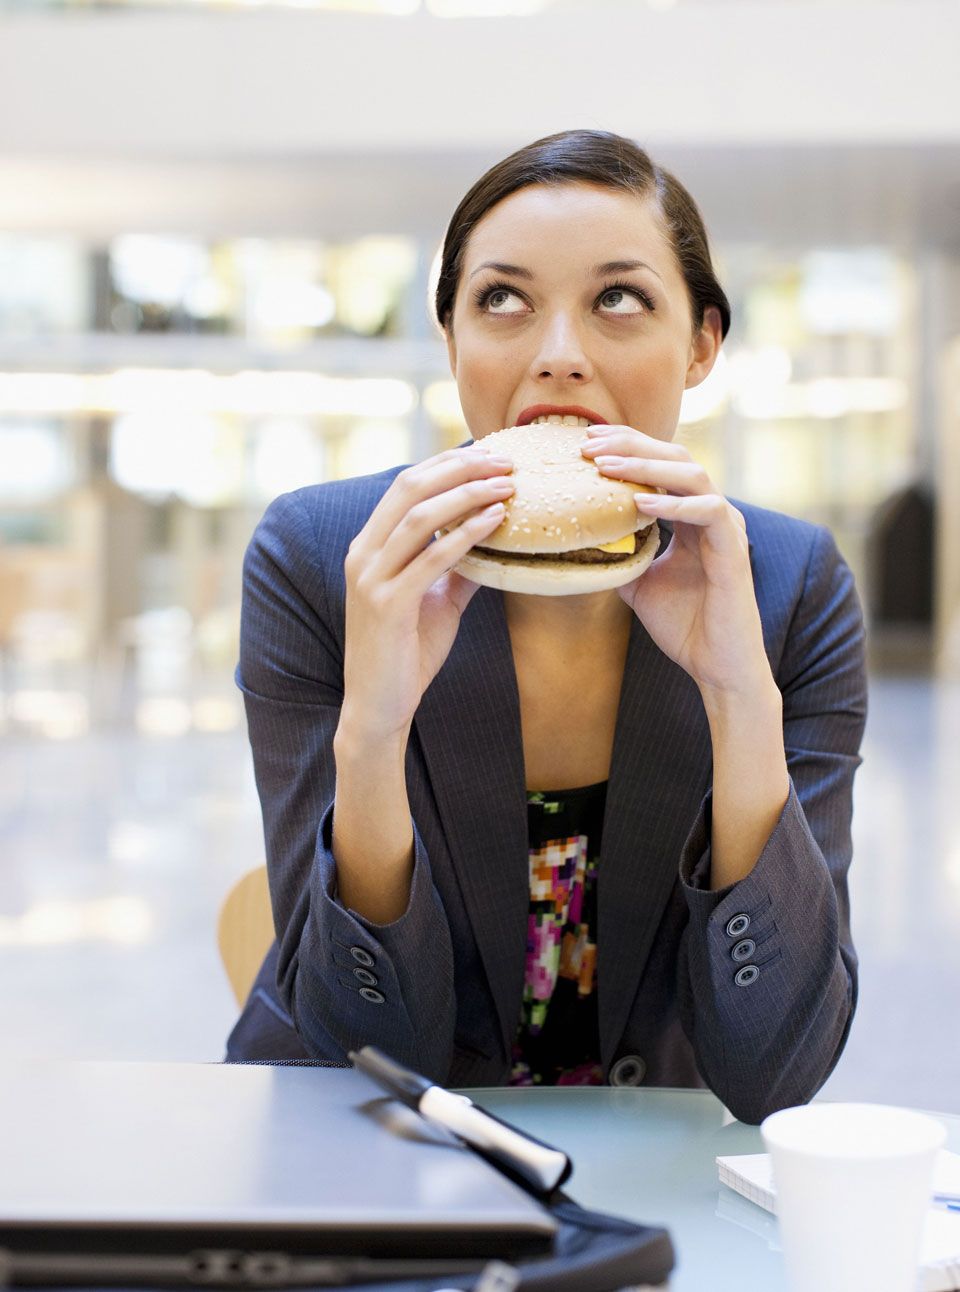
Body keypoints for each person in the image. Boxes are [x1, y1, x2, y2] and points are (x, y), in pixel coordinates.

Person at [225, 129, 867, 1125]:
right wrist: (376, 728)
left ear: (702, 344)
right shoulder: (328, 558)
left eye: (620, 298)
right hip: (364, 1166)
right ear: (451, 341)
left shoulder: (786, 583)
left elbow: (776, 1071)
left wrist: (741, 694)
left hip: (654, 1173)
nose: (557, 357)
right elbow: (359, 1052)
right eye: (503, 300)